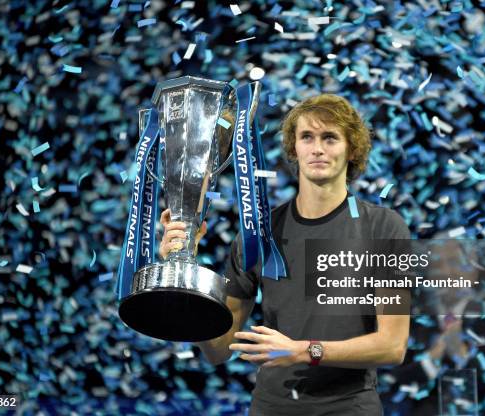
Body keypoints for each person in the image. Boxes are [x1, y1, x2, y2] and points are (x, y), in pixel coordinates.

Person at [159, 94, 411, 415]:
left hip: (348, 408)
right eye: (307, 137)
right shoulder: (258, 232)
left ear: (353, 149)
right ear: (294, 148)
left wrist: (306, 350)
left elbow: (392, 345)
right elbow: (219, 348)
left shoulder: (384, 227)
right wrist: (184, 273)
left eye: (330, 138)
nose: (317, 148)